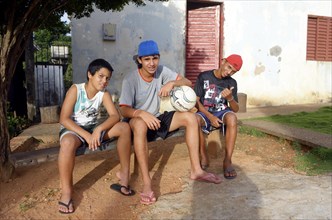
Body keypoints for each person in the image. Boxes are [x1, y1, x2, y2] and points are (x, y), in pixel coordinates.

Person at [119, 40, 222, 206]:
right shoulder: (130, 79)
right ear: (139, 60)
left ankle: (196, 170)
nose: (152, 63)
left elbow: (188, 82)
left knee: (190, 117)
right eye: (147, 59)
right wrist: (141, 114)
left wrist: (172, 82)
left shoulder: (162, 71)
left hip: (158, 118)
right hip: (137, 121)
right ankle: (147, 183)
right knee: (138, 124)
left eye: (155, 58)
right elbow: (123, 110)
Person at [58, 59, 134, 214]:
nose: (104, 81)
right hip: (75, 130)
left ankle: (124, 179)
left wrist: (98, 129)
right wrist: (86, 135)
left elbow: (115, 116)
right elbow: (63, 119)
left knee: (124, 128)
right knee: (67, 143)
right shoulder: (76, 90)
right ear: (89, 74)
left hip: (93, 129)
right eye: (101, 76)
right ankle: (66, 192)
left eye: (107, 78)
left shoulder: (103, 94)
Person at [194, 54, 243, 179]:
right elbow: (196, 101)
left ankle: (227, 160)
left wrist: (230, 98)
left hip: (222, 112)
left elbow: (236, 109)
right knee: (194, 120)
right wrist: (210, 117)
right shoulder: (204, 76)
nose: (229, 72)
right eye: (228, 67)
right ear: (223, 61)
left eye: (233, 71)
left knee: (232, 118)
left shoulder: (231, 83)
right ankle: (204, 155)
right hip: (204, 112)